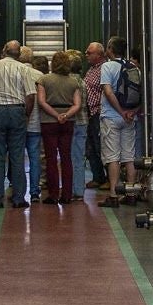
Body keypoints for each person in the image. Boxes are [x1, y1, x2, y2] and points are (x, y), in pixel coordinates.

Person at [0, 41, 35, 207]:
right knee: (17, 156)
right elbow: (30, 96)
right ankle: (18, 198)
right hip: (17, 111)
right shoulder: (24, 69)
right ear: (18, 55)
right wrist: (26, 115)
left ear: (3, 51)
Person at [98, 36, 140, 207]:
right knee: (129, 157)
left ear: (110, 49)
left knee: (113, 157)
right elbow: (142, 93)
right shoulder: (134, 68)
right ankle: (131, 194)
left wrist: (120, 111)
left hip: (111, 117)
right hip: (130, 118)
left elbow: (108, 92)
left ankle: (114, 195)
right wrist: (131, 112)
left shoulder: (107, 66)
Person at [36, 51, 83, 204]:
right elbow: (78, 104)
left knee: (51, 158)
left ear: (52, 63)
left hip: (49, 121)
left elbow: (41, 102)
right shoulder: (74, 82)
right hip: (68, 122)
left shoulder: (44, 80)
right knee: (66, 157)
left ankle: (53, 194)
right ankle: (67, 194)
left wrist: (56, 115)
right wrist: (66, 115)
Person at [20, 48, 45, 202]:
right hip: (36, 123)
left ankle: (18, 189)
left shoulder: (16, 73)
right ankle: (35, 191)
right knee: (35, 157)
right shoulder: (41, 76)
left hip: (19, 122)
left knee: (17, 157)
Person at [82, 41, 107, 192]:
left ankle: (109, 179)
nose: (86, 55)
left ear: (99, 55)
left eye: (89, 53)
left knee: (100, 146)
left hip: (98, 113)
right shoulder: (91, 69)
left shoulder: (104, 69)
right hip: (89, 114)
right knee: (90, 147)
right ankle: (98, 177)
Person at [64, 49, 89, 196]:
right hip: (83, 121)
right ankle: (79, 190)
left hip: (71, 121)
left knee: (69, 157)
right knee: (79, 157)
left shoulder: (69, 82)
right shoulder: (82, 81)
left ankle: (71, 188)